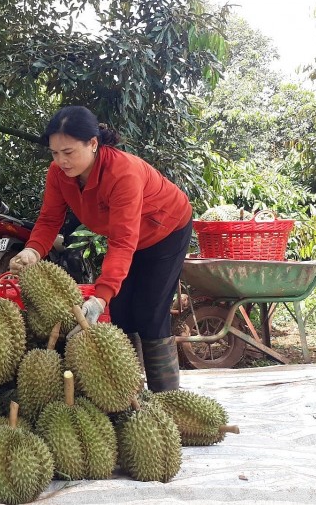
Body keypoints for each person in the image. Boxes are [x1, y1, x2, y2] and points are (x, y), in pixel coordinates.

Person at [10, 105, 192, 392]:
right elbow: (49, 219)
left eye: (68, 152)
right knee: (121, 313)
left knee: (150, 313)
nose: (61, 161)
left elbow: (122, 241)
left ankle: (166, 399)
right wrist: (32, 251)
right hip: (127, 238)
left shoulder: (123, 173)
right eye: (55, 153)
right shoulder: (58, 174)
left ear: (93, 144)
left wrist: (100, 296)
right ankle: (129, 392)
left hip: (166, 230)